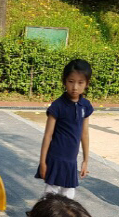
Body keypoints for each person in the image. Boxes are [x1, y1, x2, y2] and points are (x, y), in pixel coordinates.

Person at [35, 59, 93, 199]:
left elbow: (84, 134)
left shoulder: (85, 106)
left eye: (80, 83)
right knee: (50, 193)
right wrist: (43, 162)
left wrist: (85, 160)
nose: (75, 87)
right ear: (64, 81)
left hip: (71, 159)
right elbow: (48, 135)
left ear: (87, 84)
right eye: (71, 81)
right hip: (55, 157)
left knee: (68, 194)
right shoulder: (58, 106)